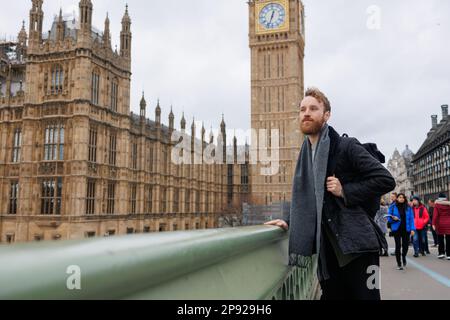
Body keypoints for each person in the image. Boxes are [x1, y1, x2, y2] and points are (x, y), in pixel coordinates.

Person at [265, 87, 396, 300]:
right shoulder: (306, 155)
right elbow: (312, 201)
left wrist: (345, 190)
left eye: (313, 109)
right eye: (302, 109)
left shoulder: (346, 146)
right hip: (329, 255)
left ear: (326, 115)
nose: (306, 113)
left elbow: (386, 179)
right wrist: (289, 220)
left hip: (361, 251)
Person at [388, 193, 416, 270]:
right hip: (396, 229)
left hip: (406, 229)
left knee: (405, 246)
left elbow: (411, 219)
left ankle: (403, 256)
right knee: (398, 246)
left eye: (403, 197)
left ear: (404, 199)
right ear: (397, 198)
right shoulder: (392, 207)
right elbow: (388, 218)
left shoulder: (408, 207)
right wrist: (393, 218)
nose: (401, 199)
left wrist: (413, 229)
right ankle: (399, 263)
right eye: (400, 197)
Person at [433, 193, 450, 260]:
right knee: (449, 239)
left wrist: (433, 224)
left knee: (440, 239)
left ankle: (441, 253)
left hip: (440, 223)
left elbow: (435, 215)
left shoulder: (437, 205)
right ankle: (449, 254)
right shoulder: (449, 204)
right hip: (448, 223)